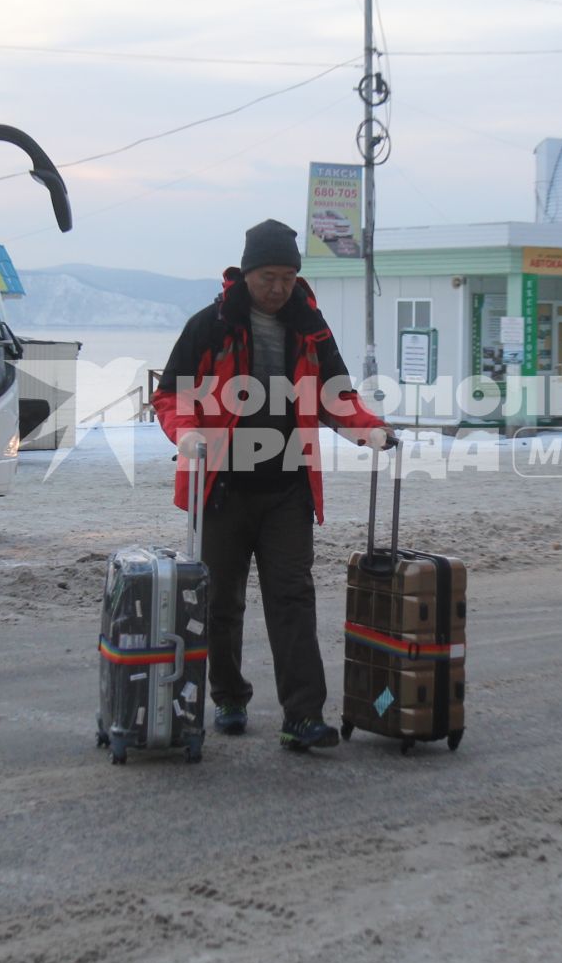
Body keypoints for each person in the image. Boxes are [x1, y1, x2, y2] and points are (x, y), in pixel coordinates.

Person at [151, 219, 393, 752]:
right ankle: (229, 696)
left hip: (287, 488)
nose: (279, 287)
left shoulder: (310, 328)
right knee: (221, 602)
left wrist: (368, 429)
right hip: (221, 488)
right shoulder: (209, 325)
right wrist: (187, 433)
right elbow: (169, 395)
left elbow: (337, 396)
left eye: (287, 276)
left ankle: (302, 716)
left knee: (293, 597)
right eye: (268, 276)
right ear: (246, 274)